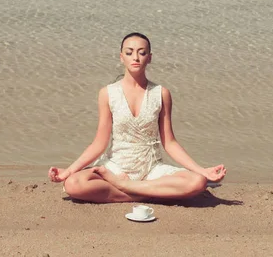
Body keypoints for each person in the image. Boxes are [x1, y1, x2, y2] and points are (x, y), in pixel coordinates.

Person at [48, 32, 227, 203]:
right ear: (121, 57)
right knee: (73, 184)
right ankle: (145, 193)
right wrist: (69, 171)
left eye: (142, 53)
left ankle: (127, 187)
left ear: (149, 57)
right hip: (115, 167)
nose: (135, 57)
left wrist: (202, 171)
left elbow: (170, 143)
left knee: (197, 182)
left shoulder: (161, 93)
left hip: (151, 169)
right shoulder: (107, 93)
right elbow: (99, 144)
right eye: (129, 52)